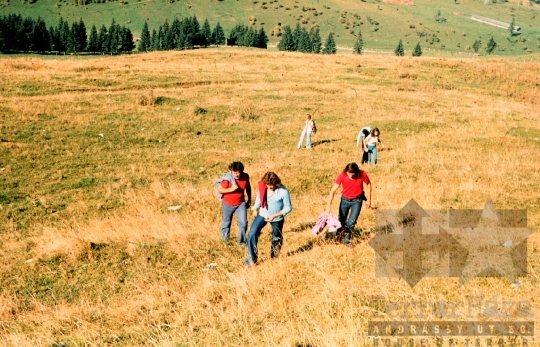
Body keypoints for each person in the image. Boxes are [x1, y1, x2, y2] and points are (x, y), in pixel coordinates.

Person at [246, 172, 292, 266]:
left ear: (276, 183)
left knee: (277, 237)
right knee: (252, 233)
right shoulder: (263, 187)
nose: (269, 187)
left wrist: (275, 215)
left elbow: (288, 207)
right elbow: (259, 199)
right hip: (263, 214)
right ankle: (251, 260)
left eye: (272, 185)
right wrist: (255, 209)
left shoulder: (283, 191)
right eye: (268, 185)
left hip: (277, 218)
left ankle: (274, 257)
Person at [325, 162, 372, 247]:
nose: (351, 176)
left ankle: (346, 241)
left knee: (351, 222)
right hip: (345, 201)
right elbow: (333, 191)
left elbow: (368, 184)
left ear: (357, 172)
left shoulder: (362, 174)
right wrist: (328, 206)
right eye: (349, 174)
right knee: (341, 221)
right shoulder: (342, 175)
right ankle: (339, 238)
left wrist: (369, 200)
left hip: (357, 201)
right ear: (346, 171)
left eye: (353, 174)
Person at [216, 162, 251, 245]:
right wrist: (231, 189)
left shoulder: (245, 176)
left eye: (238, 172)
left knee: (243, 223)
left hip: (240, 203)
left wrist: (249, 199)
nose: (236, 174)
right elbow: (220, 190)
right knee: (226, 223)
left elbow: (248, 188)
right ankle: (225, 241)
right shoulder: (227, 179)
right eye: (234, 172)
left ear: (241, 171)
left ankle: (242, 242)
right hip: (227, 204)